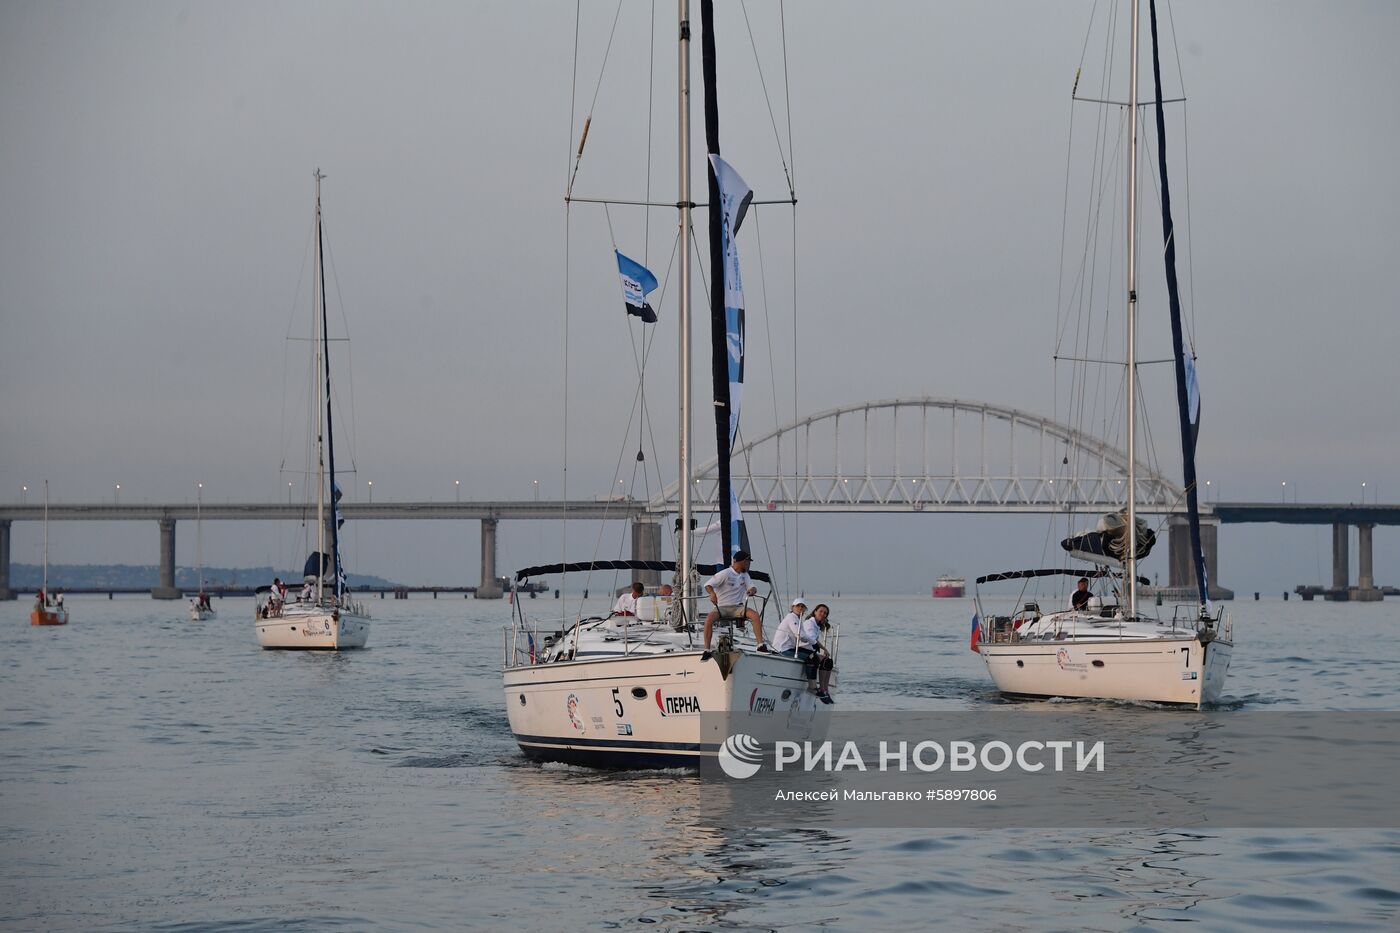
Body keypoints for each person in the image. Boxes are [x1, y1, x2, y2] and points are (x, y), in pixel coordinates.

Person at [702, 550, 768, 653]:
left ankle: (760, 645)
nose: (747, 564)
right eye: (746, 561)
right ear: (738, 561)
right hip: (722, 607)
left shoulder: (745, 575)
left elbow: (753, 587)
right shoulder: (725, 573)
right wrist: (712, 593)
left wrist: (752, 590)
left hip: (738, 607)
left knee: (755, 615)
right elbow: (708, 585)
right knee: (709, 619)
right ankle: (706, 650)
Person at [805, 604, 836, 703]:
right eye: (821, 611)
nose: (823, 614)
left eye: (825, 613)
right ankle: (822, 690)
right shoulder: (809, 623)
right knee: (824, 661)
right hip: (804, 649)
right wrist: (824, 649)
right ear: (815, 611)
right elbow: (812, 639)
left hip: (809, 649)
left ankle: (825, 690)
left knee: (829, 662)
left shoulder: (817, 625)